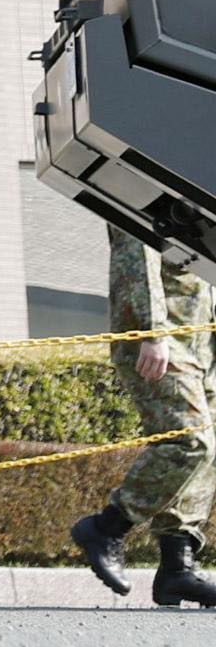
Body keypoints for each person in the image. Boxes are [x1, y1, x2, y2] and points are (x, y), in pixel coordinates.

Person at [69, 230, 216, 607]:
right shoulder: (154, 180)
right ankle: (106, 527)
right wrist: (150, 330)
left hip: (202, 341)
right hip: (164, 342)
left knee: (209, 451)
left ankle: (176, 567)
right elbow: (138, 248)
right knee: (189, 442)